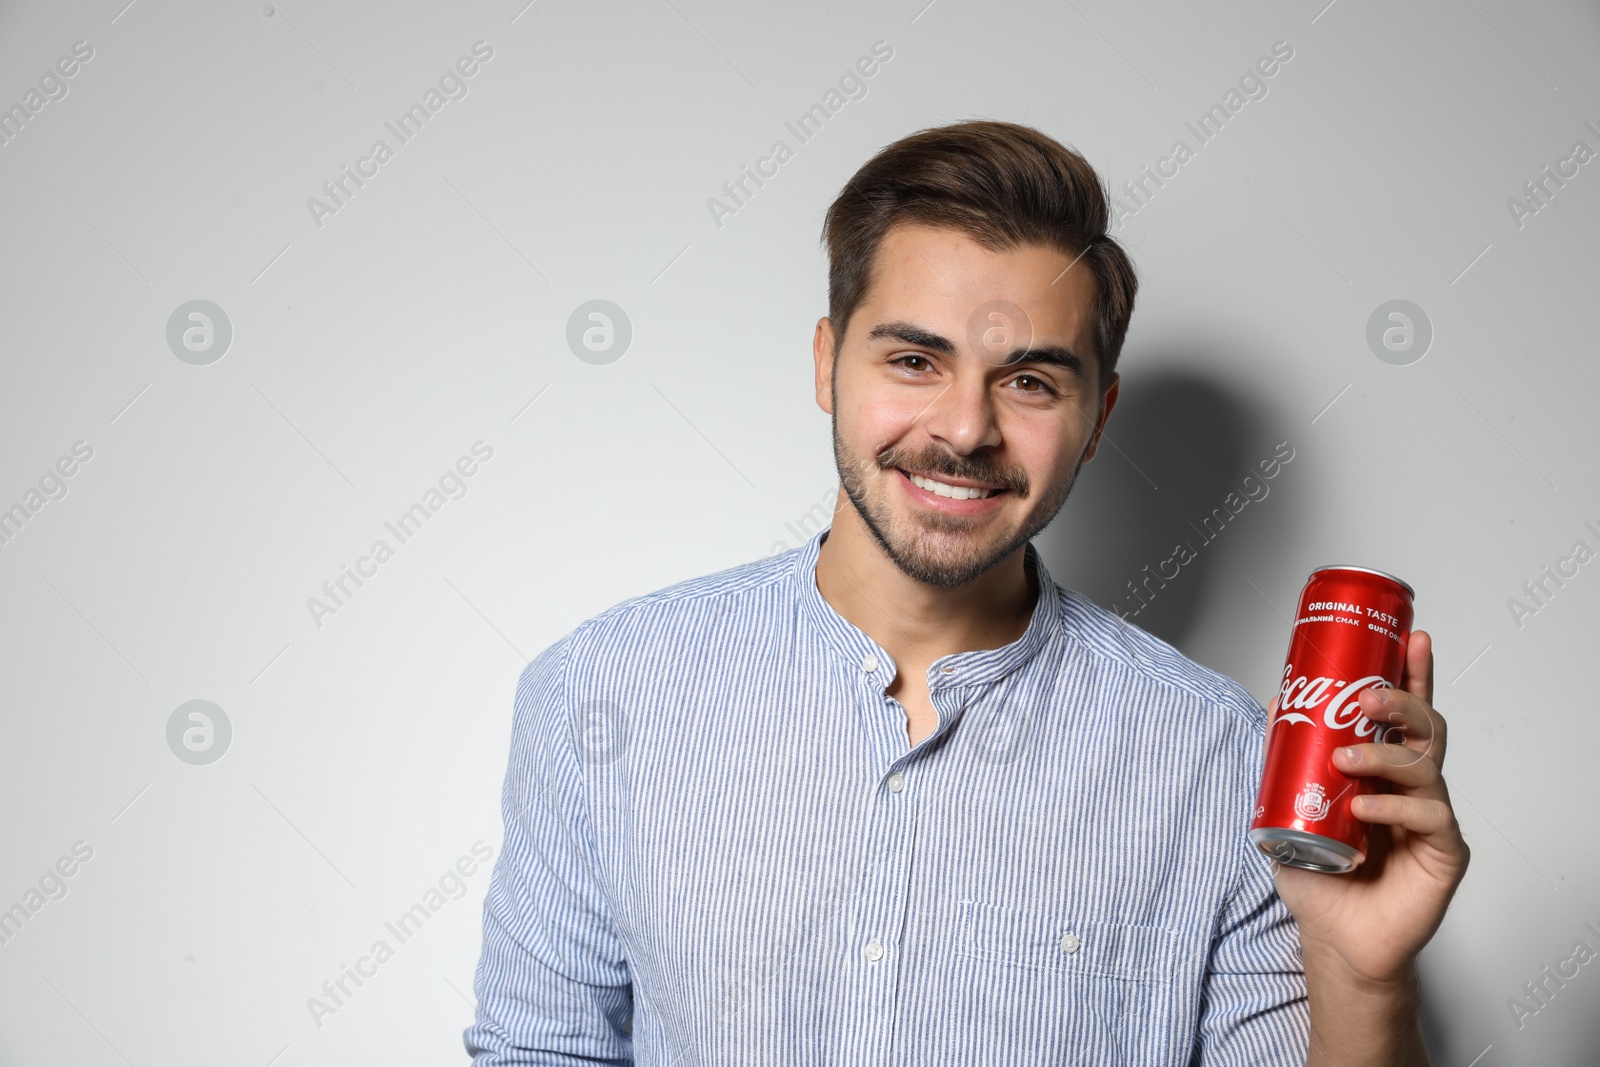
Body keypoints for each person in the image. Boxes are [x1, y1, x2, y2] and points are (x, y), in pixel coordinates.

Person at [463, 119, 1469, 1065]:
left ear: (1097, 413)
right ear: (827, 363)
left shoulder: (1220, 764)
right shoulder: (599, 693)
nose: (963, 429)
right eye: (913, 358)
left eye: (1030, 381)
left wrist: (1359, 973)